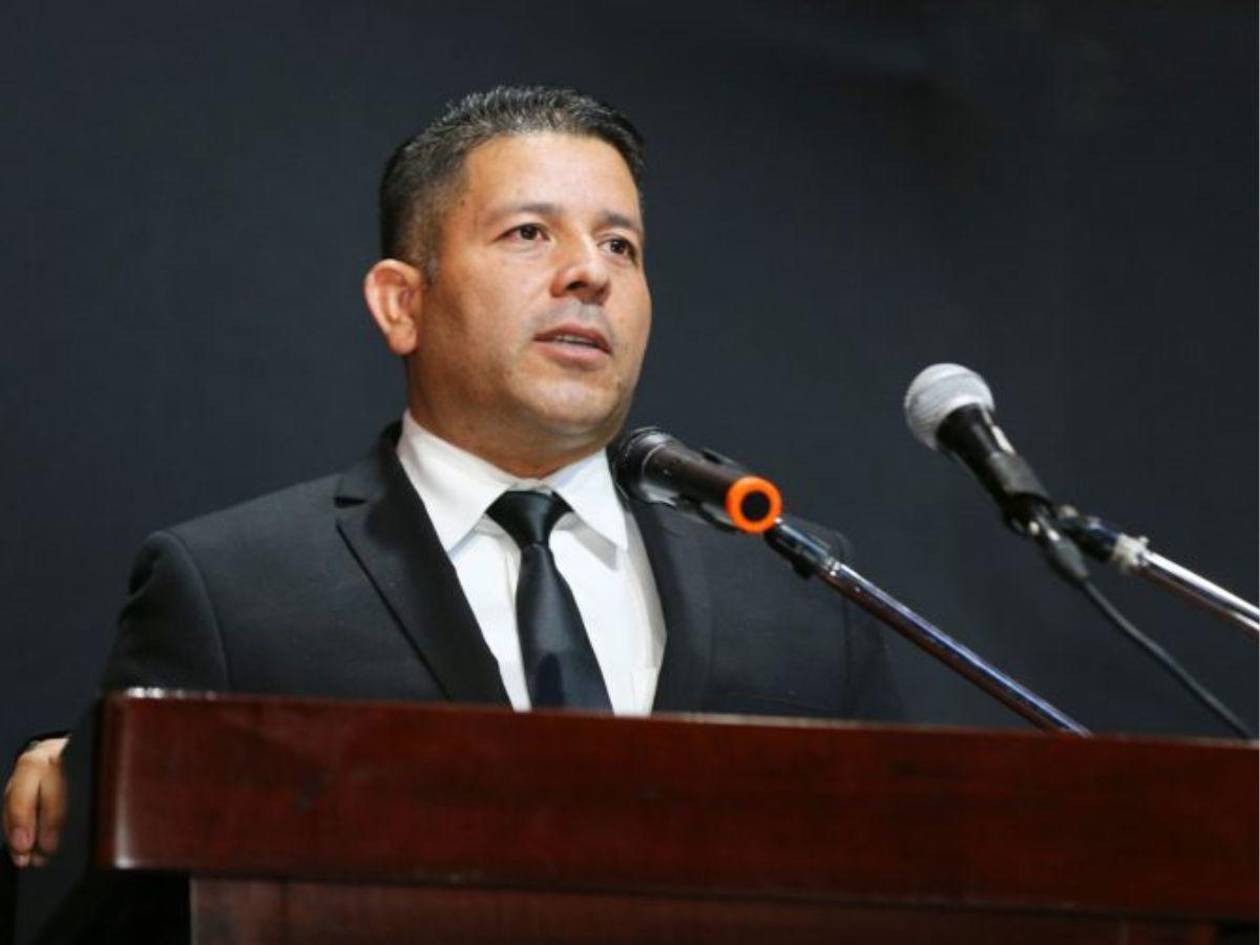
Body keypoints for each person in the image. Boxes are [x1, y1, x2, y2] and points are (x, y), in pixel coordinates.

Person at [4, 86, 901, 896]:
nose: (590, 272)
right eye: (529, 233)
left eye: (620, 245)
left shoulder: (798, 589)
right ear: (403, 303)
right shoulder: (233, 593)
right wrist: (91, 782)